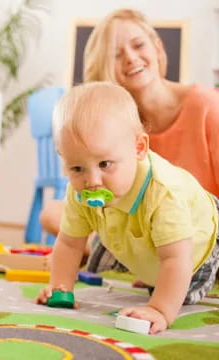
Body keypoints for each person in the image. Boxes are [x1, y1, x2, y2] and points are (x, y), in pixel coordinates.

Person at [40, 8, 219, 272]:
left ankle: (121, 256)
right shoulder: (111, 128)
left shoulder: (208, 106)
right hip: (141, 231)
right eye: (116, 54)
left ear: (157, 47)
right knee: (54, 212)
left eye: (138, 45)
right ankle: (129, 257)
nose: (131, 58)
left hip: (201, 232)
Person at [35, 82, 219, 334]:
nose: (92, 182)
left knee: (178, 289)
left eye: (105, 164)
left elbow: (178, 259)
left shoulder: (163, 192)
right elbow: (69, 243)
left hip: (201, 243)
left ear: (139, 148)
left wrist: (160, 310)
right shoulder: (79, 192)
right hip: (131, 234)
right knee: (131, 261)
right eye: (77, 168)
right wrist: (60, 287)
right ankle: (151, 270)